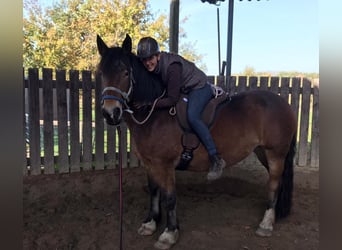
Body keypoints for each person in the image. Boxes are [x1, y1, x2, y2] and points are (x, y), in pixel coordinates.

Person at [137, 36, 226, 181]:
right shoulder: (155, 68)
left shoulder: (172, 67)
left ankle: (215, 157)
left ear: (158, 56)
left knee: (192, 115)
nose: (147, 63)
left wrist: (150, 104)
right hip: (185, 88)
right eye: (144, 60)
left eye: (150, 58)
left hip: (198, 86)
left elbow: (172, 99)